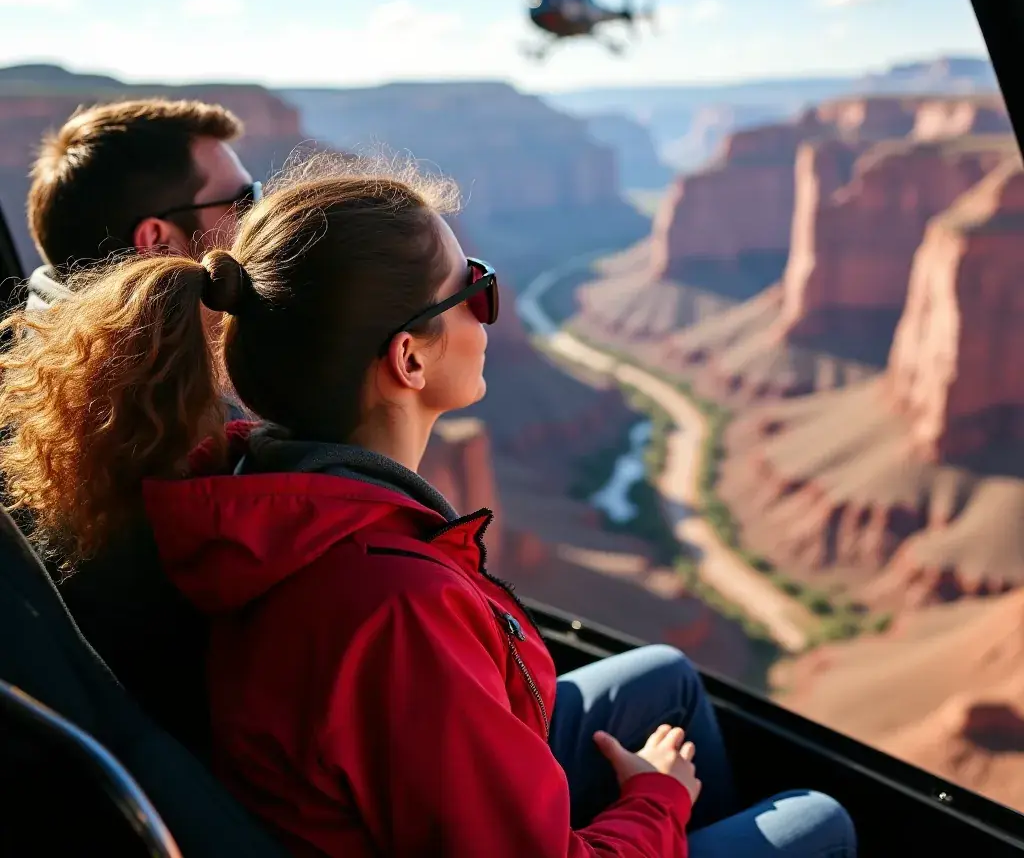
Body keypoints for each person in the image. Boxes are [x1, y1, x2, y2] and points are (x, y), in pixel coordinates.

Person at [0, 155, 857, 858]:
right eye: (474, 289)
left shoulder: (260, 489)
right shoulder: (395, 604)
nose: (491, 311)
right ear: (408, 358)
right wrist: (656, 803)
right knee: (817, 821)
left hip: (401, 795)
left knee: (665, 678)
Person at [18, 97, 259, 756]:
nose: (259, 221)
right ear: (157, 239)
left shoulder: (35, 374)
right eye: (243, 201)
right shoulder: (158, 429)